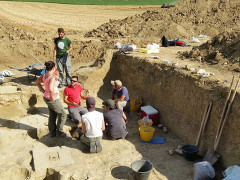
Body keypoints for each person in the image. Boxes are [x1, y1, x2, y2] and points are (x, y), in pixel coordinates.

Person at [35, 61, 67, 137]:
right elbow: (50, 88)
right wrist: (52, 96)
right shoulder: (52, 77)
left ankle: (52, 133)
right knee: (63, 114)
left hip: (46, 97)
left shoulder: (44, 75)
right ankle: (59, 131)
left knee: (52, 115)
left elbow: (36, 82)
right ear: (53, 68)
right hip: (52, 99)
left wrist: (43, 91)